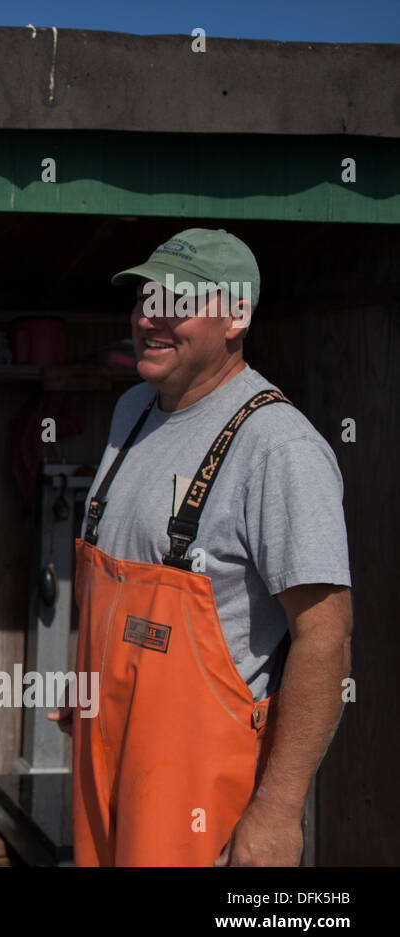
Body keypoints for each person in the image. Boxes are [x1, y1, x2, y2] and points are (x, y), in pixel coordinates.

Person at [49, 228, 353, 866]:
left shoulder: (279, 447)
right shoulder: (132, 410)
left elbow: (326, 638)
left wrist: (276, 813)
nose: (149, 318)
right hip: (106, 769)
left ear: (237, 316)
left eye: (179, 303)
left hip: (200, 801)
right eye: (143, 298)